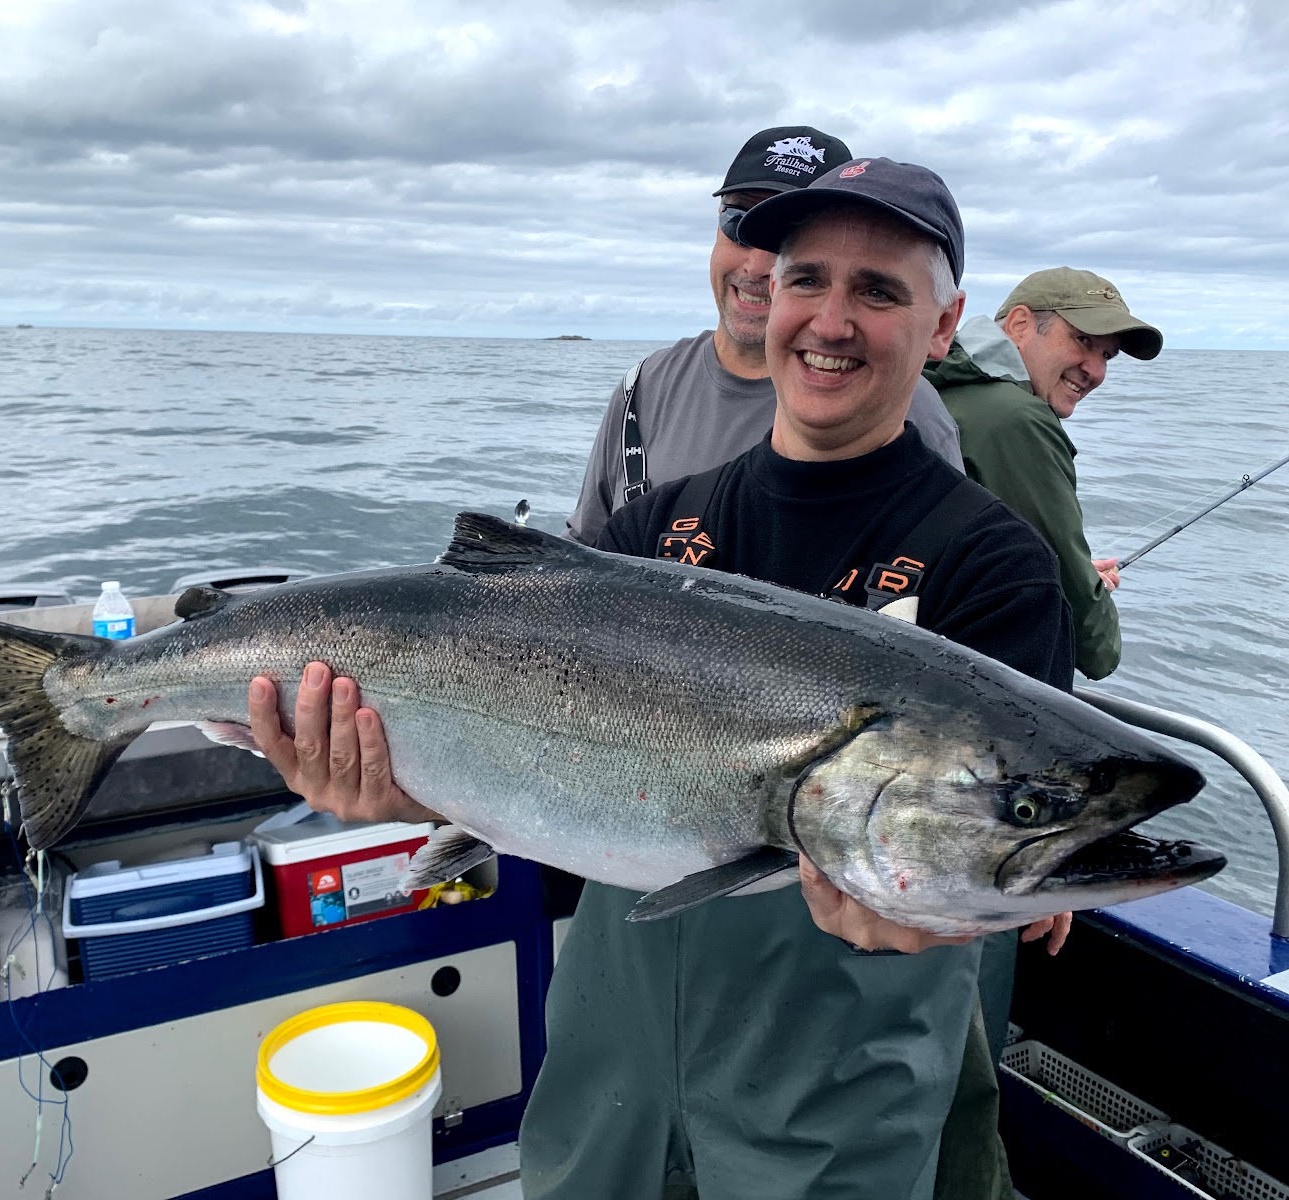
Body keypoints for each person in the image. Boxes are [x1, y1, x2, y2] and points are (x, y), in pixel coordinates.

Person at [248, 157, 1077, 1198]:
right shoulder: (655, 528)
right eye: (806, 278)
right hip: (615, 1041)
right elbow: (534, 754)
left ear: (944, 324)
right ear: (768, 294)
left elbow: (994, 834)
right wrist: (400, 786)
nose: (829, 319)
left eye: (878, 291)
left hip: (834, 1059)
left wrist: (952, 911)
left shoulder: (987, 561)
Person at [568, 124, 963, 548]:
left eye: (784, 242)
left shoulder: (909, 411)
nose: (757, 267)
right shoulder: (643, 386)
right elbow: (584, 555)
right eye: (740, 223)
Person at [924, 267, 1164, 680]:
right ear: (1019, 324)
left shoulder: (938, 385)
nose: (1096, 371)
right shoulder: (1016, 420)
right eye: (1083, 340)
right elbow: (1093, 645)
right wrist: (1084, 598)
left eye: (1106, 355)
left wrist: (1053, 573)